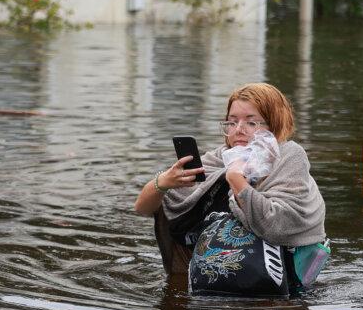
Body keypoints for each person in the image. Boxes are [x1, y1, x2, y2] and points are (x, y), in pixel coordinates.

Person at [133, 82, 326, 277]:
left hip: (273, 283)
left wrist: (236, 179)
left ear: (274, 123)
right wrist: (163, 183)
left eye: (251, 123)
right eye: (232, 122)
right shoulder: (220, 158)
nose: (238, 130)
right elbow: (142, 208)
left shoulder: (289, 156)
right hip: (208, 279)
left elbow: (278, 225)